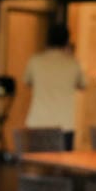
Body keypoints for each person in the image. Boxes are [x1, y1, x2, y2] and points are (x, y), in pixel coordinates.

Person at [23, 21, 85, 151]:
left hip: (38, 123)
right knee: (62, 167)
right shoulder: (73, 63)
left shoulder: (35, 61)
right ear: (66, 41)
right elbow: (83, 85)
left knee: (36, 164)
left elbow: (27, 82)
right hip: (64, 125)